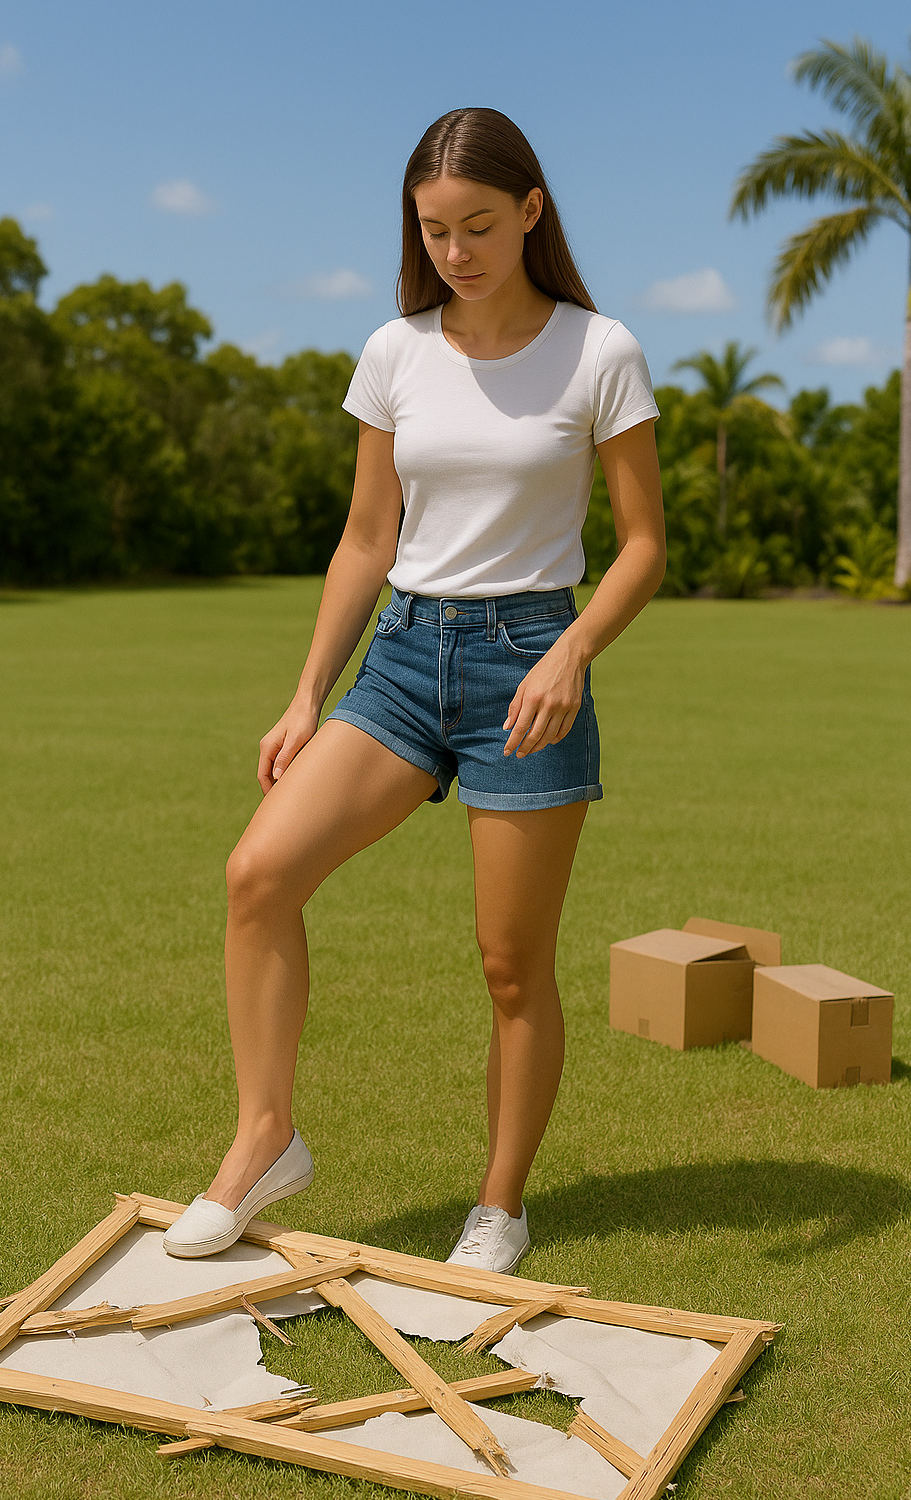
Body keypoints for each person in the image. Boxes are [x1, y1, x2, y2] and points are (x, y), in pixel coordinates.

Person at [162, 107, 665, 1272]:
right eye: (433, 230)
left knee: (508, 963)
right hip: (400, 663)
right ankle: (262, 1141)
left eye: (478, 226)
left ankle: (499, 1206)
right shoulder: (395, 351)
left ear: (531, 211)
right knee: (257, 872)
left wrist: (572, 650)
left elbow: (642, 543)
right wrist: (304, 696)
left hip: (527, 660)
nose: (455, 252)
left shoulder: (600, 351)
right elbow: (364, 539)